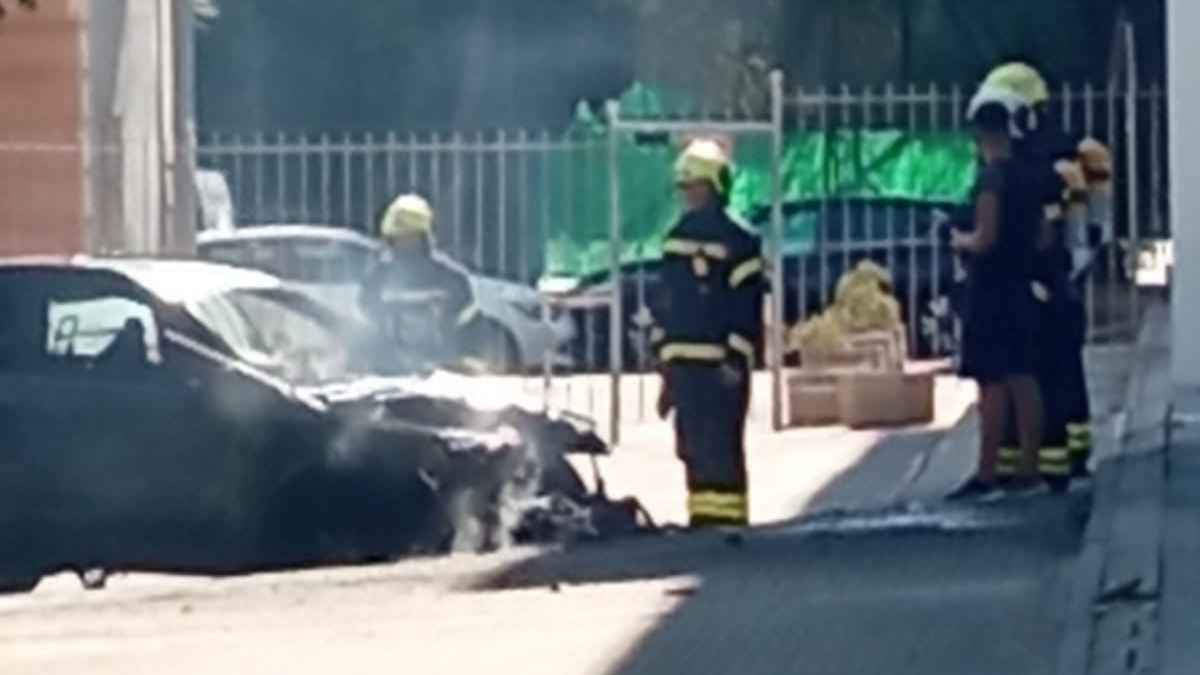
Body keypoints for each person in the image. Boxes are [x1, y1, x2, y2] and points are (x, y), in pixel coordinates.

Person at [971, 62, 1110, 485]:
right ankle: (1046, 461)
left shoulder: (1044, 165)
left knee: (1036, 372)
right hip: (1053, 285)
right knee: (1048, 372)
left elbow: (1063, 233)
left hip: (1038, 283)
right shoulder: (1070, 154)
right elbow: (1094, 233)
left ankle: (1037, 465)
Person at [650, 138, 764, 528]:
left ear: (713, 187)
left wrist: (733, 357)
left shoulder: (734, 242)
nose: (688, 195)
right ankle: (707, 523)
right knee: (697, 447)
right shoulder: (730, 241)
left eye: (693, 187)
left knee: (715, 446)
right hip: (695, 364)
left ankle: (724, 522)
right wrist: (665, 369)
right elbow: (665, 306)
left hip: (712, 365)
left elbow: (744, 308)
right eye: (684, 188)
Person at [946, 101, 1047, 500]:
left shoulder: (992, 178)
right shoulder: (1028, 176)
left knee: (990, 382)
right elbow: (1043, 237)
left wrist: (959, 240)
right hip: (1020, 283)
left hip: (990, 288)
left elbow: (985, 236)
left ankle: (987, 472)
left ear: (982, 136)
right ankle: (1029, 467)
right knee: (1024, 376)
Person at [359, 193, 482, 366]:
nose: (404, 244)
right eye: (399, 238)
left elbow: (467, 328)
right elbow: (366, 317)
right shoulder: (378, 276)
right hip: (391, 370)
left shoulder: (453, 278)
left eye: (410, 237)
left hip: (441, 369)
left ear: (423, 237)